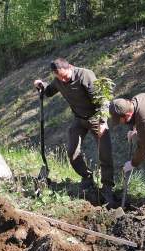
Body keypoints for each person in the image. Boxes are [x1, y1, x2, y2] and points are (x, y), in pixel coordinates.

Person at [33, 58, 115, 205]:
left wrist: (103, 121)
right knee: (72, 152)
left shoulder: (85, 75)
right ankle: (87, 177)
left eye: (65, 76)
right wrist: (41, 85)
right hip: (79, 119)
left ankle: (107, 187)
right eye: (59, 77)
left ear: (70, 67)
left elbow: (103, 100)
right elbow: (49, 91)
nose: (63, 80)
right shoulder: (59, 80)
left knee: (105, 154)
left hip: (96, 118)